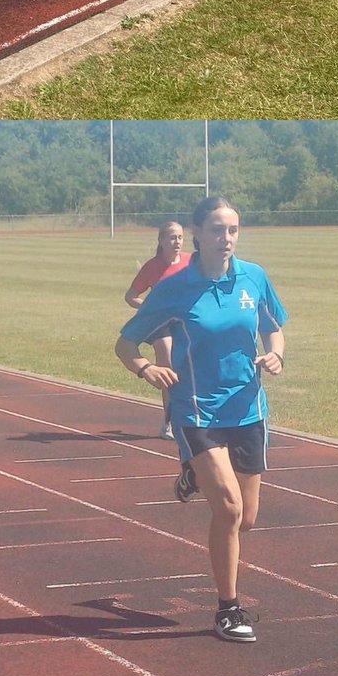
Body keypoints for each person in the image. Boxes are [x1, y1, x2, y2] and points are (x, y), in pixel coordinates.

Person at [114, 196, 287, 644]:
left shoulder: (254, 276)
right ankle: (228, 609)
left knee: (246, 519)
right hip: (197, 409)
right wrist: (147, 369)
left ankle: (191, 473)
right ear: (197, 233)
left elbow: (274, 326)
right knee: (227, 510)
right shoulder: (175, 287)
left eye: (232, 229)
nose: (225, 238)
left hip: (248, 408)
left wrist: (276, 354)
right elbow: (126, 345)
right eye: (216, 229)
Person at [123, 220, 191, 439]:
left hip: (185, 321)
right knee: (166, 352)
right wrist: (151, 308)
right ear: (161, 241)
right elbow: (131, 296)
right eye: (172, 237)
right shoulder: (152, 267)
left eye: (180, 237)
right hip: (158, 322)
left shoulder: (192, 262)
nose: (177, 242)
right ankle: (169, 421)